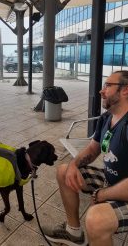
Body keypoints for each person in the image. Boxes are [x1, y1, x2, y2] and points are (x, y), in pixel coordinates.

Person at [43, 70, 128, 246]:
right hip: (111, 182)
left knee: (96, 219)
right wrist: (74, 164)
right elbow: (93, 148)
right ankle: (73, 233)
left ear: (125, 90)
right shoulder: (107, 118)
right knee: (64, 171)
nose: (101, 90)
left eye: (107, 85)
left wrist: (101, 194)